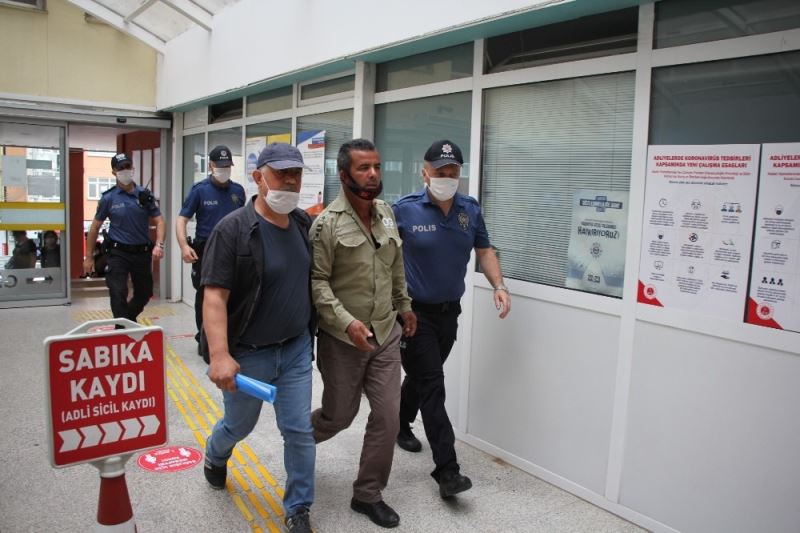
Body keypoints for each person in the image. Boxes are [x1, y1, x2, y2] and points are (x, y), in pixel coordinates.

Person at [201, 143, 315, 533]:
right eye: (281, 173)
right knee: (238, 426)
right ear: (258, 178)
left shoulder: (301, 224)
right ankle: (216, 453)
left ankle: (298, 507)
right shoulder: (232, 230)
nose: (290, 181)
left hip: (296, 349)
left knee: (299, 430)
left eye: (296, 173)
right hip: (249, 355)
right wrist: (220, 355)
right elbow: (215, 297)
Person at [392, 139, 511, 498]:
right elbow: (384, 258)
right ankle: (447, 471)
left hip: (449, 313)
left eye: (452, 171)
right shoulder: (404, 210)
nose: (446, 176)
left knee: (422, 376)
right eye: (439, 170)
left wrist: (499, 285)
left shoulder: (469, 210)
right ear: (424, 172)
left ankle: (399, 423)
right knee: (433, 384)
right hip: (414, 314)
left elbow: (484, 250)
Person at [309, 138, 417, 529]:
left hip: (385, 332)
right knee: (340, 416)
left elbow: (395, 264)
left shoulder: (386, 213)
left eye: (376, 166)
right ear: (344, 175)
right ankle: (299, 439)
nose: (373, 174)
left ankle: (367, 494)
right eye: (363, 168)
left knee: (388, 416)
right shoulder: (326, 224)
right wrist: (346, 322)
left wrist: (404, 305)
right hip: (343, 339)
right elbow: (318, 282)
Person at [176, 145, 245, 352]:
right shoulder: (199, 190)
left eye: (227, 166)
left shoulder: (238, 191)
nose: (224, 170)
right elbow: (182, 219)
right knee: (205, 295)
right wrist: (184, 246)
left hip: (233, 249)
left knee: (233, 293)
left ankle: (229, 337)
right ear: (211, 165)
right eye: (220, 166)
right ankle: (204, 339)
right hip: (206, 249)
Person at [82, 153, 165, 323]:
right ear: (114, 172)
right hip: (118, 253)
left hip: (141, 252)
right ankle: (122, 328)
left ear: (132, 168)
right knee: (118, 291)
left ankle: (127, 319)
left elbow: (160, 221)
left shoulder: (144, 195)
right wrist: (88, 257)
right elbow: (95, 227)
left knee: (145, 292)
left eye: (128, 166)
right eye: (121, 168)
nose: (125, 170)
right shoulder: (109, 198)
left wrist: (159, 244)